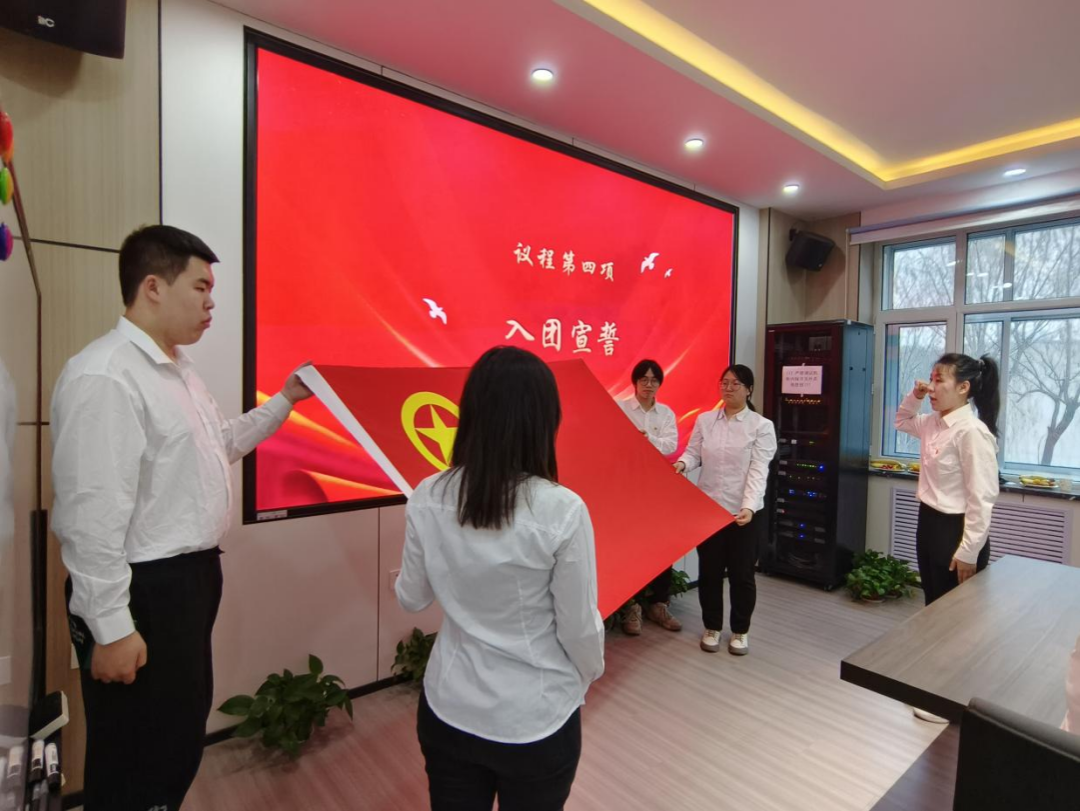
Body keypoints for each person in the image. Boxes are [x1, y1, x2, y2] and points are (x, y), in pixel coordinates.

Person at [50, 225, 312, 811]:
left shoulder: (178, 371)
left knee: (174, 738)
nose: (211, 302)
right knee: (137, 748)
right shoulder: (105, 375)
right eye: (201, 287)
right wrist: (111, 628)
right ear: (152, 287)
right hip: (143, 590)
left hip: (187, 581)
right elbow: (90, 516)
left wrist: (285, 401)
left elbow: (218, 443)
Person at [396, 346, 604, 811]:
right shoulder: (561, 509)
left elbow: (411, 598)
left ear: (470, 413)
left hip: (448, 707)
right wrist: (586, 677)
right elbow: (578, 627)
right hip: (535, 717)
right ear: (542, 421)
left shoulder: (428, 494)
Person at [675, 364, 776, 656]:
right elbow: (694, 453)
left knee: (742, 575)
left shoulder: (761, 426)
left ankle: (740, 631)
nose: (728, 388)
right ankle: (712, 627)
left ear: (749, 390)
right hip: (709, 509)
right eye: (724, 383)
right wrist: (682, 464)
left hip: (743, 513)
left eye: (735, 384)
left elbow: (759, 470)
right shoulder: (706, 420)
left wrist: (748, 507)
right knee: (709, 573)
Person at [895, 353, 1000, 606]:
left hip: (955, 530)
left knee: (955, 611)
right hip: (928, 521)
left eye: (939, 380)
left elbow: (982, 498)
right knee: (932, 600)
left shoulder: (971, 432)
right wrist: (915, 396)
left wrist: (969, 551)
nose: (931, 387)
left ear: (963, 388)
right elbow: (901, 421)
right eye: (931, 379)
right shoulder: (932, 423)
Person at [617, 358, 681, 635]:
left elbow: (671, 445)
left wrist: (647, 440)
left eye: (654, 380)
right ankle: (631, 606)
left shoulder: (665, 413)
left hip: (656, 487)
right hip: (625, 486)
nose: (648, 384)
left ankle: (658, 604)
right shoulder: (620, 408)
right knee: (628, 545)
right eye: (643, 379)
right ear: (635, 382)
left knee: (662, 544)